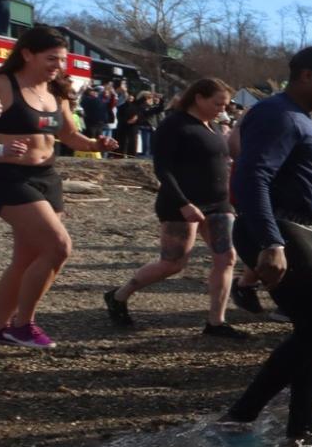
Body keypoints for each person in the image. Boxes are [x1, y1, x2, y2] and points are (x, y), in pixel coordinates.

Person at [217, 47, 312, 444]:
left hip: (300, 230)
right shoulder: (276, 114)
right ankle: (240, 415)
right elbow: (252, 178)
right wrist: (271, 240)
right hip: (281, 230)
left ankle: (300, 430)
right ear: (309, 76)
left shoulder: (305, 119)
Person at [0, 28, 120, 347]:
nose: (58, 65)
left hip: (47, 178)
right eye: (52, 59)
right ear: (27, 54)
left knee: (26, 258)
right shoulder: (0, 85)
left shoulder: (56, 91)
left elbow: (68, 136)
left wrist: (95, 144)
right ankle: (24, 324)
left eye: (62, 60)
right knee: (58, 246)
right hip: (6, 177)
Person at [104, 77, 248, 338]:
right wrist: (184, 204)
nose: (222, 109)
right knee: (173, 263)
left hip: (218, 202)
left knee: (226, 258)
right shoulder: (174, 125)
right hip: (180, 202)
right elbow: (163, 169)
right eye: (218, 103)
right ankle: (119, 294)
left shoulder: (214, 126)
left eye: (225, 105)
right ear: (199, 98)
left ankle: (216, 322)